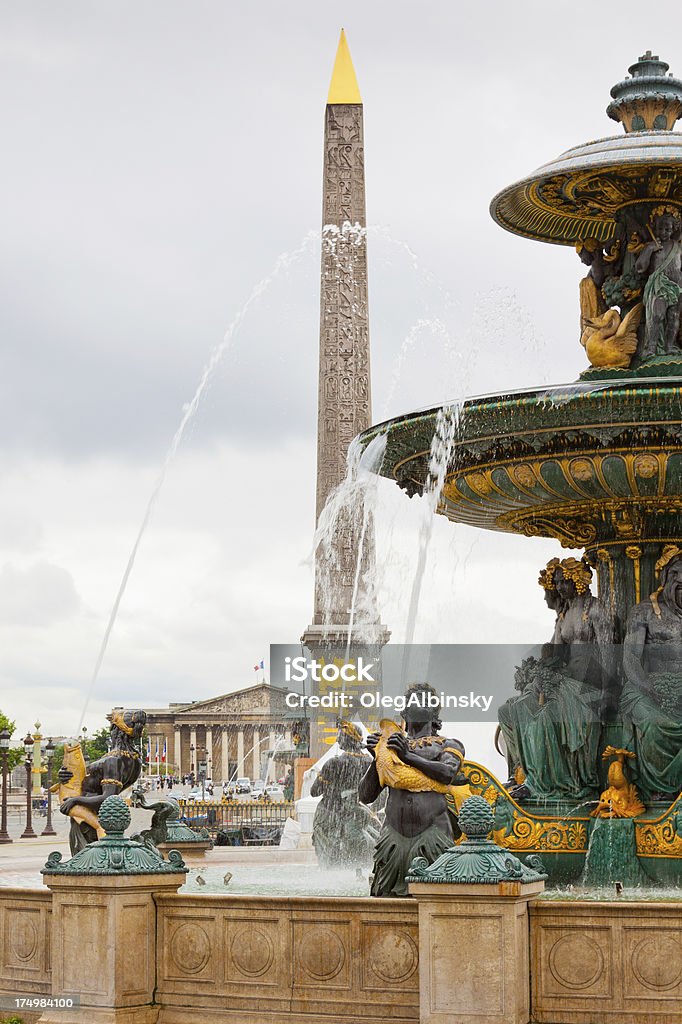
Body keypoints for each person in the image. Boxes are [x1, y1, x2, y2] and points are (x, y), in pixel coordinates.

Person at [359, 684, 465, 897]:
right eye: (412, 700)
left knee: (436, 898)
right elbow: (365, 795)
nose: (417, 703)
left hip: (432, 834)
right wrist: (377, 758)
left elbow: (447, 773)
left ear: (435, 714)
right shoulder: (389, 747)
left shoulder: (447, 744)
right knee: (385, 899)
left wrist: (407, 756)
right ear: (404, 712)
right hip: (392, 837)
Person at [622, 545, 682, 801]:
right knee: (658, 724)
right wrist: (651, 689)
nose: (681, 580)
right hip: (646, 687)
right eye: (675, 574)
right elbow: (630, 659)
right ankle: (663, 786)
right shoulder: (644, 612)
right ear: (664, 577)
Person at [636, 211, 682, 357]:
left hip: (677, 286)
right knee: (657, 315)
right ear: (655, 228)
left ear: (673, 229)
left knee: (674, 317)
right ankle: (651, 347)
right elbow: (640, 268)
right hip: (659, 285)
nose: (663, 232)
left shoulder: (678, 247)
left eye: (667, 229)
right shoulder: (651, 246)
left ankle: (669, 346)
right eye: (660, 228)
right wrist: (649, 250)